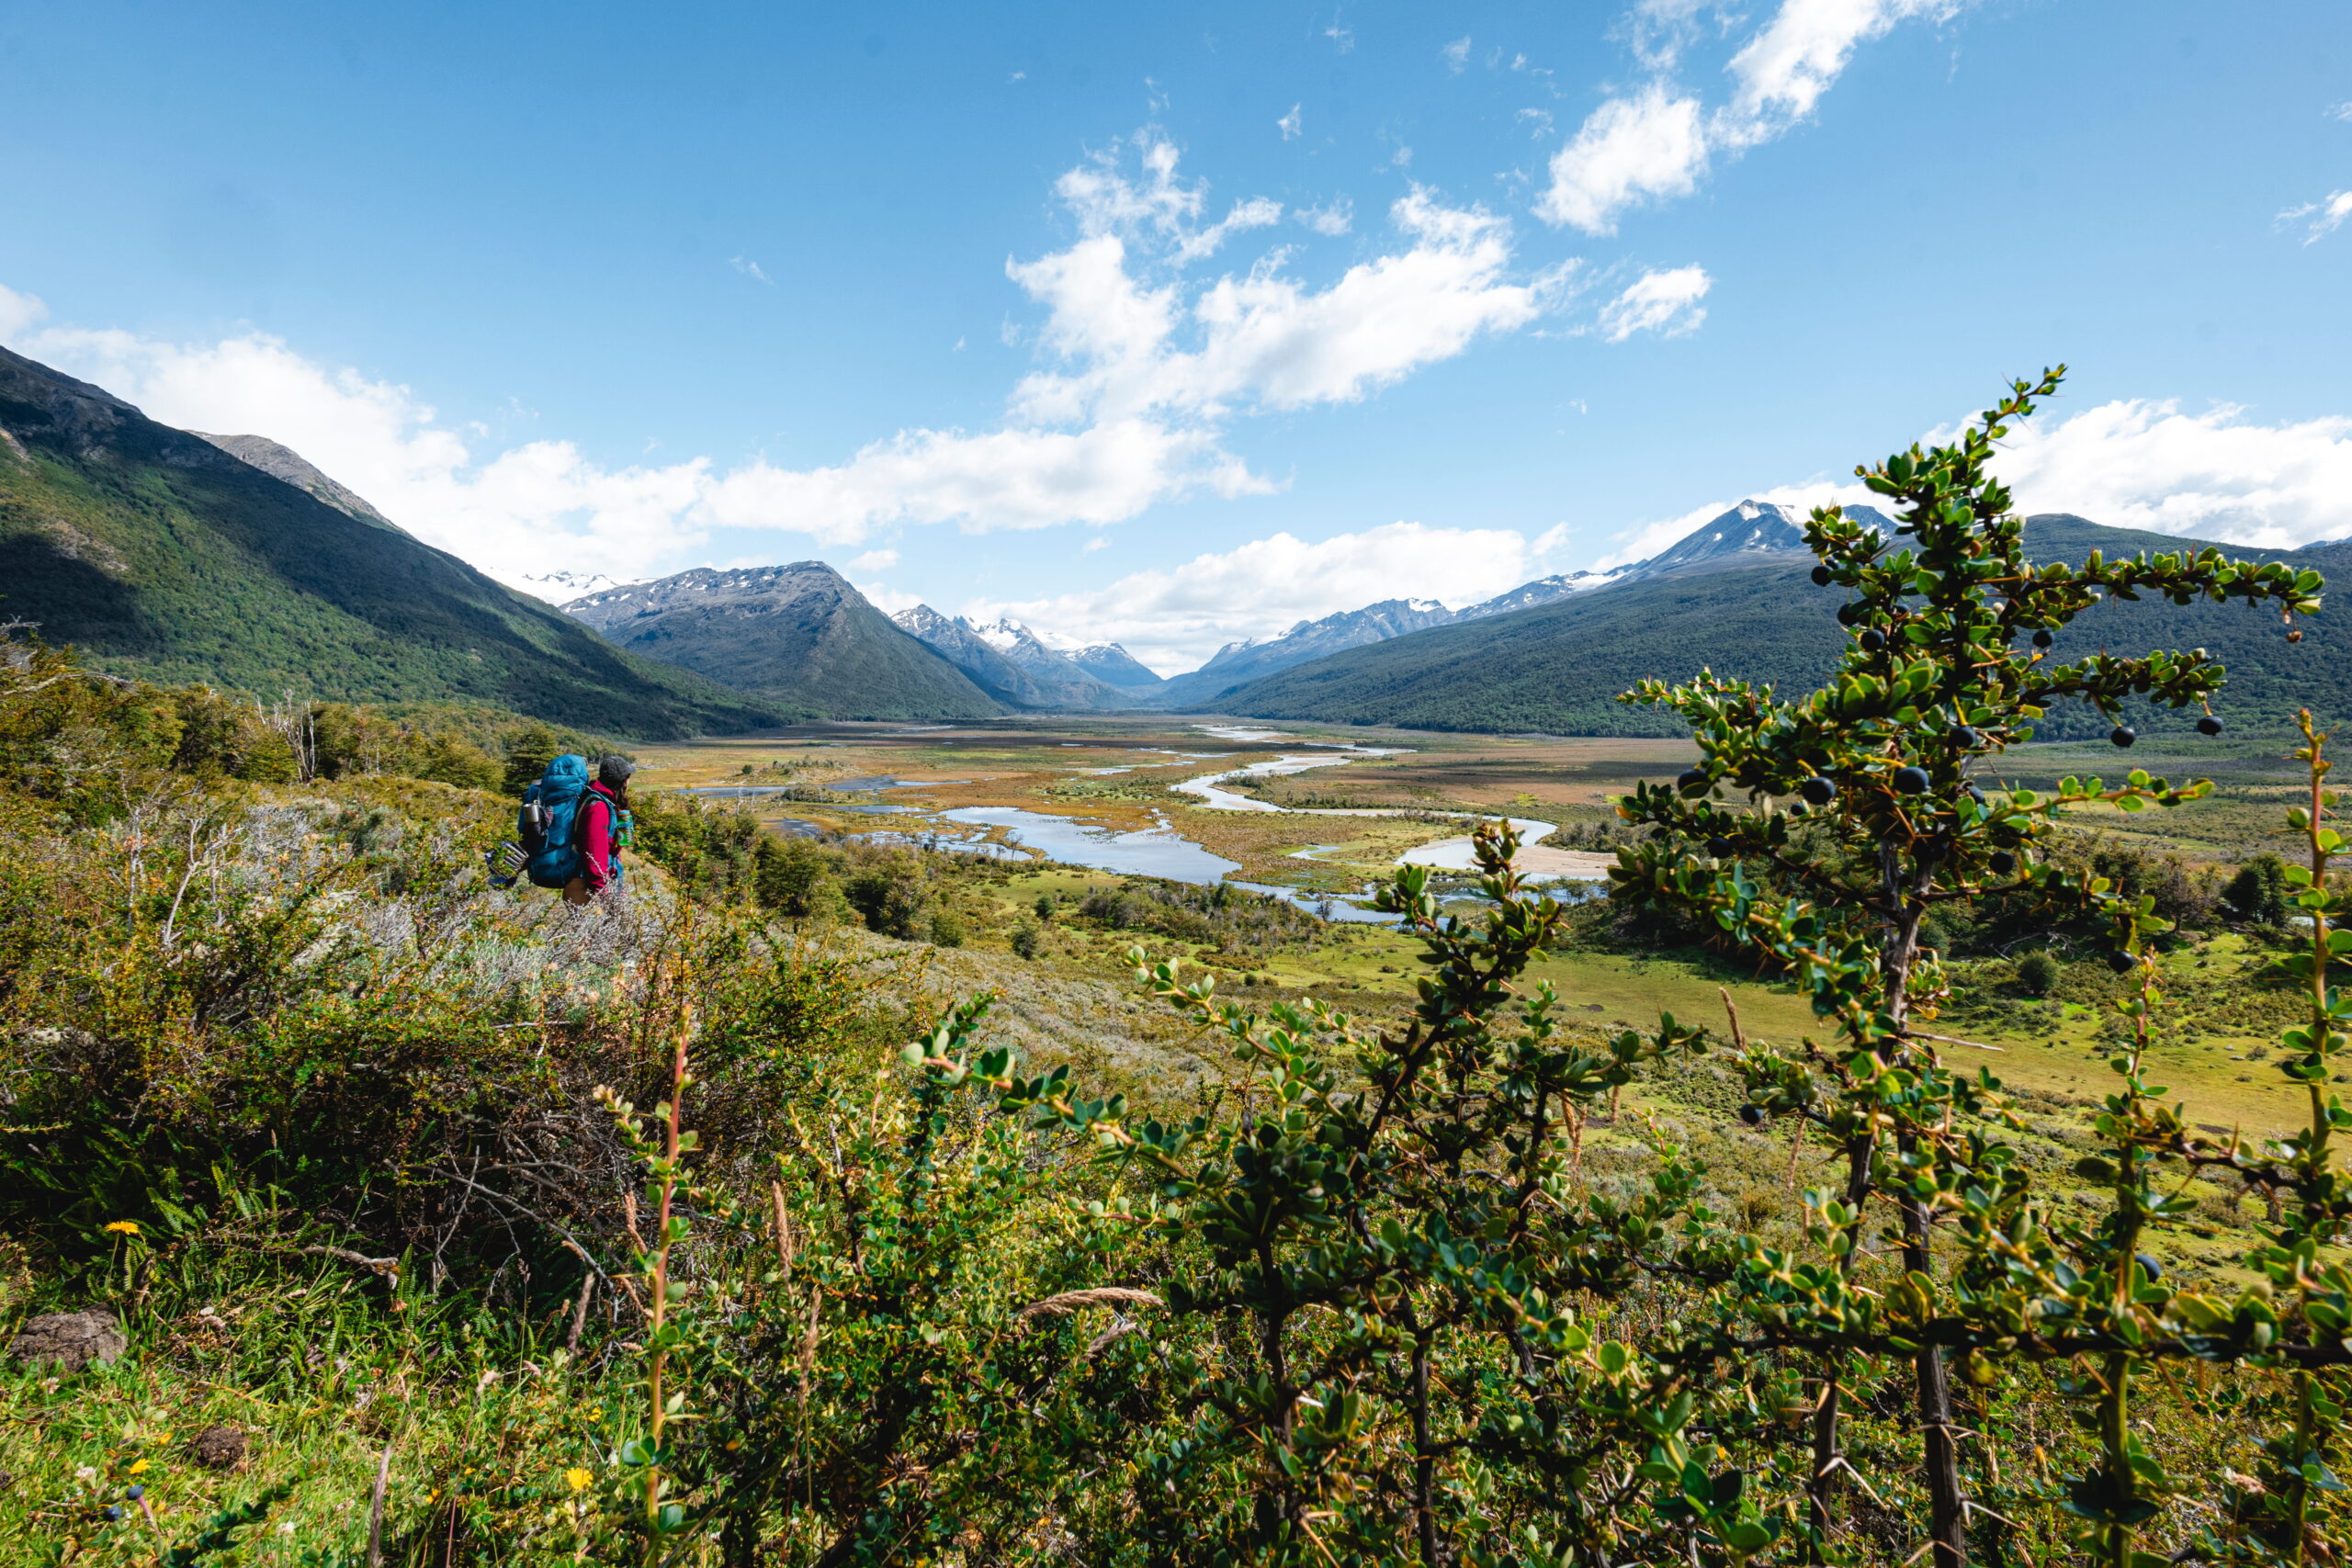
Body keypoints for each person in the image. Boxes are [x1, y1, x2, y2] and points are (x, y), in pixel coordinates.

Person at [569, 755, 635, 904]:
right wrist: (605, 894)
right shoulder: (598, 808)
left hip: (603, 881)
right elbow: (595, 855)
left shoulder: (605, 801)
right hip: (590, 888)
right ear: (623, 780)